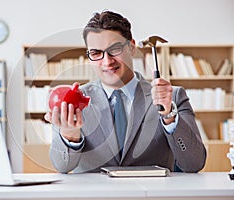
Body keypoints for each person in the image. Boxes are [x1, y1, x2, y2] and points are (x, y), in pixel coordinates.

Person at [44, 10, 206, 173]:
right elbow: (62, 166)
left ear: (132, 47)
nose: (107, 61)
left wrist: (169, 116)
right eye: (96, 53)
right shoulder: (73, 100)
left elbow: (194, 163)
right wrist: (69, 135)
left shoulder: (173, 98)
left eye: (114, 49)